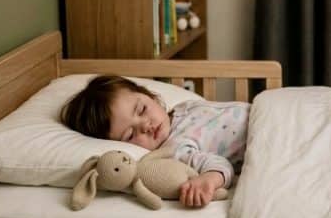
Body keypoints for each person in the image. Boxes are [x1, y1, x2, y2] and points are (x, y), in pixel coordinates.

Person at [61, 75, 248, 208]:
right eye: (130, 135)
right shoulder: (175, 149)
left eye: (142, 109)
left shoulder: (184, 107)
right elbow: (219, 164)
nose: (145, 125)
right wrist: (209, 179)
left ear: (151, 96)